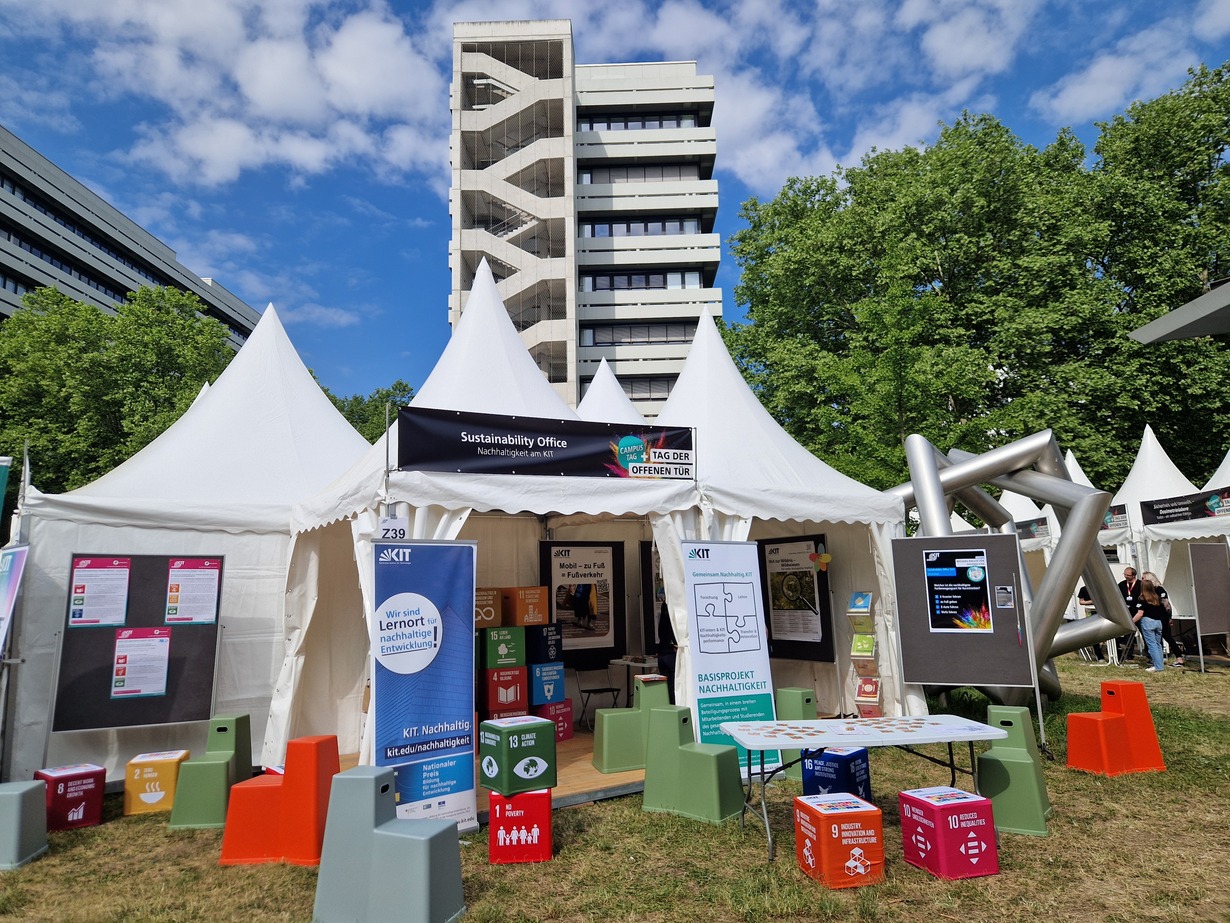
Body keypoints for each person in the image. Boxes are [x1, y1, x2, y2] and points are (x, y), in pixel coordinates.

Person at [1142, 571, 1183, 666]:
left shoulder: (1159, 590)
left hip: (1162, 617)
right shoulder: (1148, 591)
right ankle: (1157, 659)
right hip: (1154, 617)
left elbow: (1167, 605)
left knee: (1167, 636)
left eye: (1143, 578)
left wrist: (1169, 618)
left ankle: (1179, 658)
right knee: (1156, 639)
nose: (1142, 580)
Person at [1131, 576, 1168, 672]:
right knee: (1158, 644)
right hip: (1158, 622)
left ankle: (1158, 666)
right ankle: (1160, 665)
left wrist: (1131, 622)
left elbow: (1140, 614)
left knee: (1152, 646)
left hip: (1148, 622)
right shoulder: (1157, 598)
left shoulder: (1142, 598)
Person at [657, 601, 678, 704]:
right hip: (671, 653)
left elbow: (661, 634)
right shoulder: (673, 619)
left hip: (662, 652)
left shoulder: (663, 619)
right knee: (674, 685)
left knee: (666, 686)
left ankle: (667, 707)